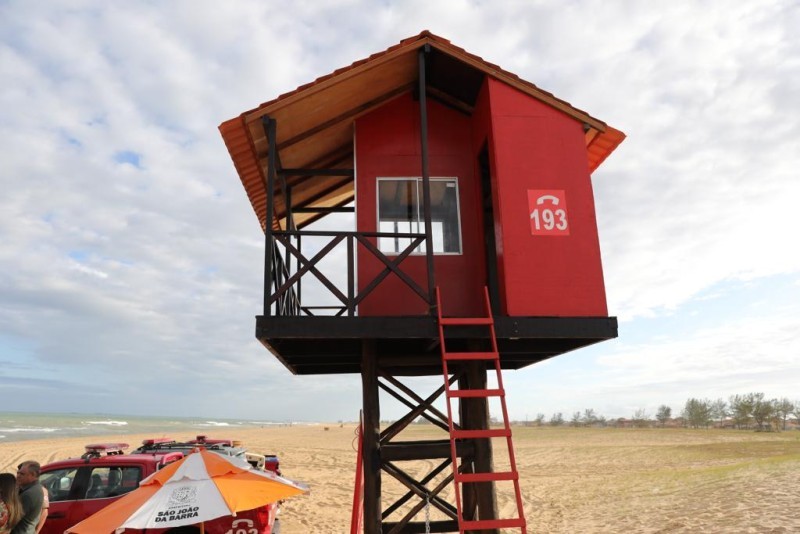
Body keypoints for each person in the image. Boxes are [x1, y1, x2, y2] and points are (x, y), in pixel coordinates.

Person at [11, 462, 43, 534]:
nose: (18, 476)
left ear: (33, 475)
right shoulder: (34, 488)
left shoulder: (28, 494)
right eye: (18, 473)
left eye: (22, 474)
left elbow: (13, 519)